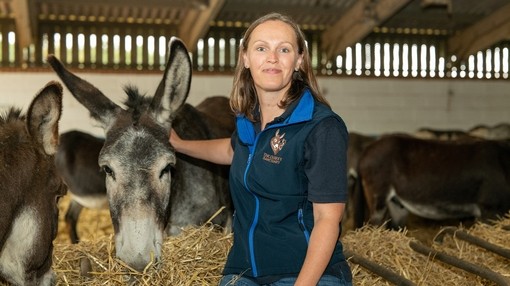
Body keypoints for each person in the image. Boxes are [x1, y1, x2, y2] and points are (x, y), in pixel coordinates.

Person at [170, 12, 352, 286]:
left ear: (299, 60)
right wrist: (179, 144)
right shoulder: (248, 119)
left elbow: (328, 219)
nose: (272, 58)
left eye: (284, 49)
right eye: (261, 48)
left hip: (305, 273)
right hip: (244, 271)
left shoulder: (321, 128)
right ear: (245, 58)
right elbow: (233, 152)